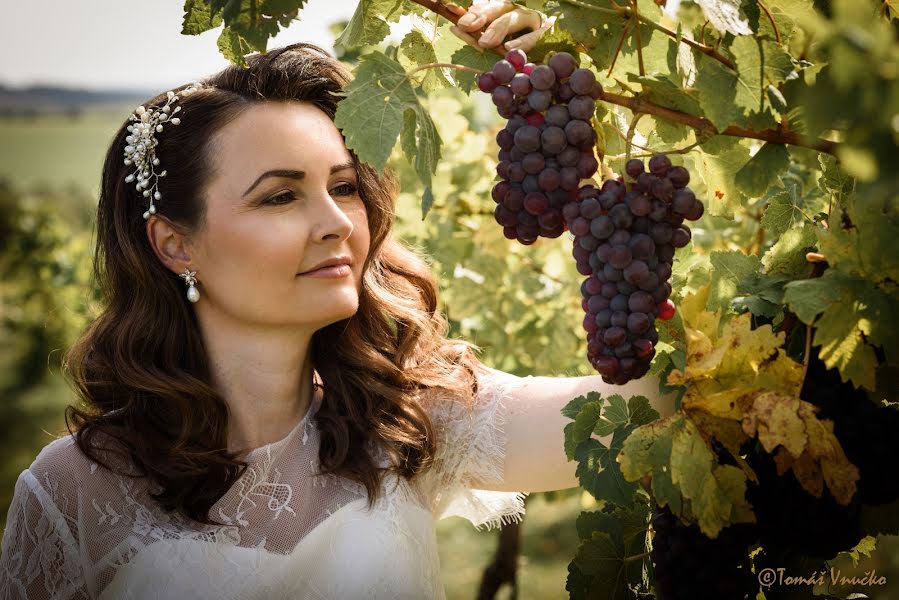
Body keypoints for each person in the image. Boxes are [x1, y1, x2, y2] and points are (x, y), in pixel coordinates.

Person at [1, 10, 673, 600]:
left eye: (345, 186)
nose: (338, 223)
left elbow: (650, 411)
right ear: (175, 244)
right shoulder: (70, 492)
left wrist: (570, 91)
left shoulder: (409, 424)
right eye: (279, 195)